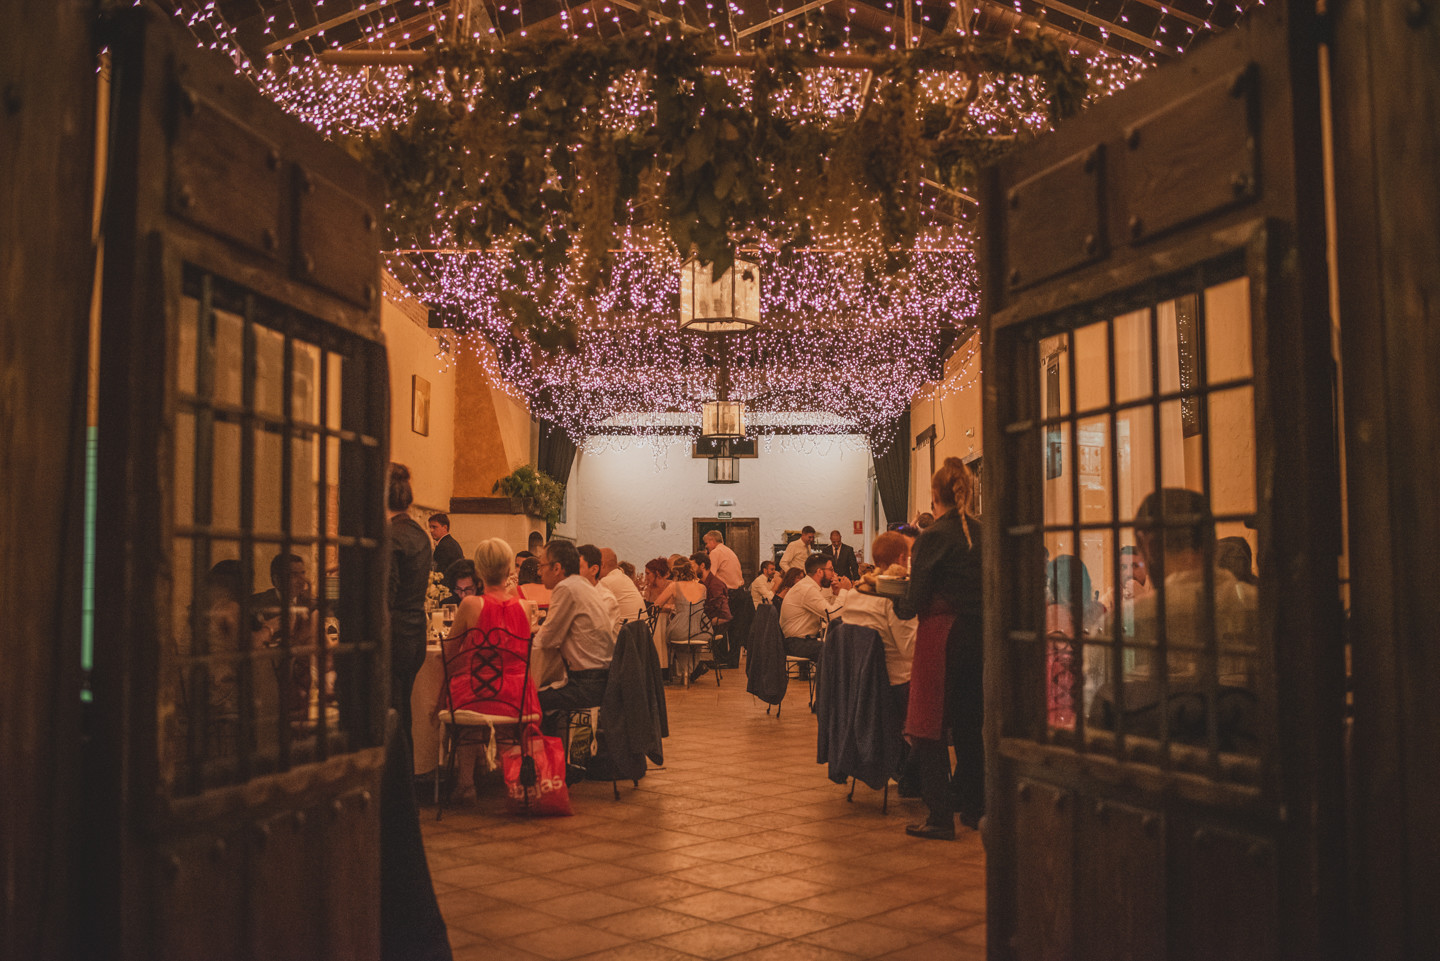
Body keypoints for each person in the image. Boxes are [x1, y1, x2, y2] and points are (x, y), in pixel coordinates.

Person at [904, 456, 983, 840]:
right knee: (970, 725)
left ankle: (938, 815)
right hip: (981, 634)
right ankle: (974, 806)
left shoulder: (933, 537)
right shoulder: (982, 533)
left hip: (943, 634)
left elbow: (913, 599)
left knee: (929, 725)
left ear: (935, 495)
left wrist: (891, 594)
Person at [441, 538, 538, 792]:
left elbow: (449, 652)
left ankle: (465, 783)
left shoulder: (471, 604)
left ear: (480, 572)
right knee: (506, 726)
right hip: (517, 696)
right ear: (509, 570)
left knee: (461, 703)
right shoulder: (525, 606)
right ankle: (511, 782)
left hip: (477, 690)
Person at [533, 540, 616, 732]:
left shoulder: (566, 588)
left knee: (529, 699)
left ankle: (544, 757)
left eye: (542, 566)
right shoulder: (582, 585)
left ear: (557, 568)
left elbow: (547, 640)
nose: (539, 572)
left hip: (587, 685)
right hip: (600, 678)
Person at [387, 464, 432, 748]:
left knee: (391, 713)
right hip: (417, 632)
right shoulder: (419, 534)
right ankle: (405, 783)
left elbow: (387, 592)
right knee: (403, 710)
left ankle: (395, 785)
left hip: (394, 633)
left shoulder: (391, 537)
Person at [777, 554, 843, 664]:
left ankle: (828, 680)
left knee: (839, 646)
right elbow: (832, 616)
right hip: (796, 643)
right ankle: (832, 681)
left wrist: (836, 593)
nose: (834, 574)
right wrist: (843, 591)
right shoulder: (807, 589)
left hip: (801, 641)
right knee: (839, 650)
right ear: (820, 572)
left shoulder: (807, 586)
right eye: (831, 570)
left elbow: (828, 611)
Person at [704, 530, 752, 670]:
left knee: (720, 625)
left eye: (707, 543)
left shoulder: (716, 552)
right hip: (739, 592)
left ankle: (721, 659)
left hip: (727, 593)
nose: (706, 546)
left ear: (713, 540)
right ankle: (732, 661)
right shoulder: (729, 551)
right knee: (735, 629)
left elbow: (710, 575)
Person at [599, 547, 647, 630]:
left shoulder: (606, 582)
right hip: (641, 634)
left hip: (626, 637)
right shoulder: (624, 577)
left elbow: (595, 613)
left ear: (602, 565)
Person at [577, 543, 620, 626]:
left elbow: (592, 635)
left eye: (578, 567)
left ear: (594, 570)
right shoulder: (577, 594)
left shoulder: (606, 599)